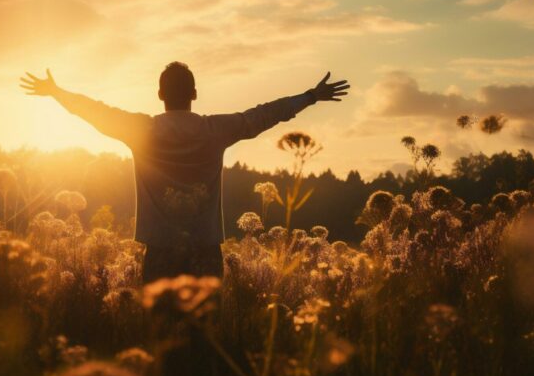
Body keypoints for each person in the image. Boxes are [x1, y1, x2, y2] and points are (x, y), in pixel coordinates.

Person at [20, 62, 348, 282]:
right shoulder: (215, 130)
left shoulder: (141, 130)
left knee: (162, 345)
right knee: (202, 344)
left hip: (159, 253)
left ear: (160, 95)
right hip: (205, 251)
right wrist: (309, 97)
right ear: (194, 94)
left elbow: (96, 112)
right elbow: (262, 115)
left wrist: (58, 93)